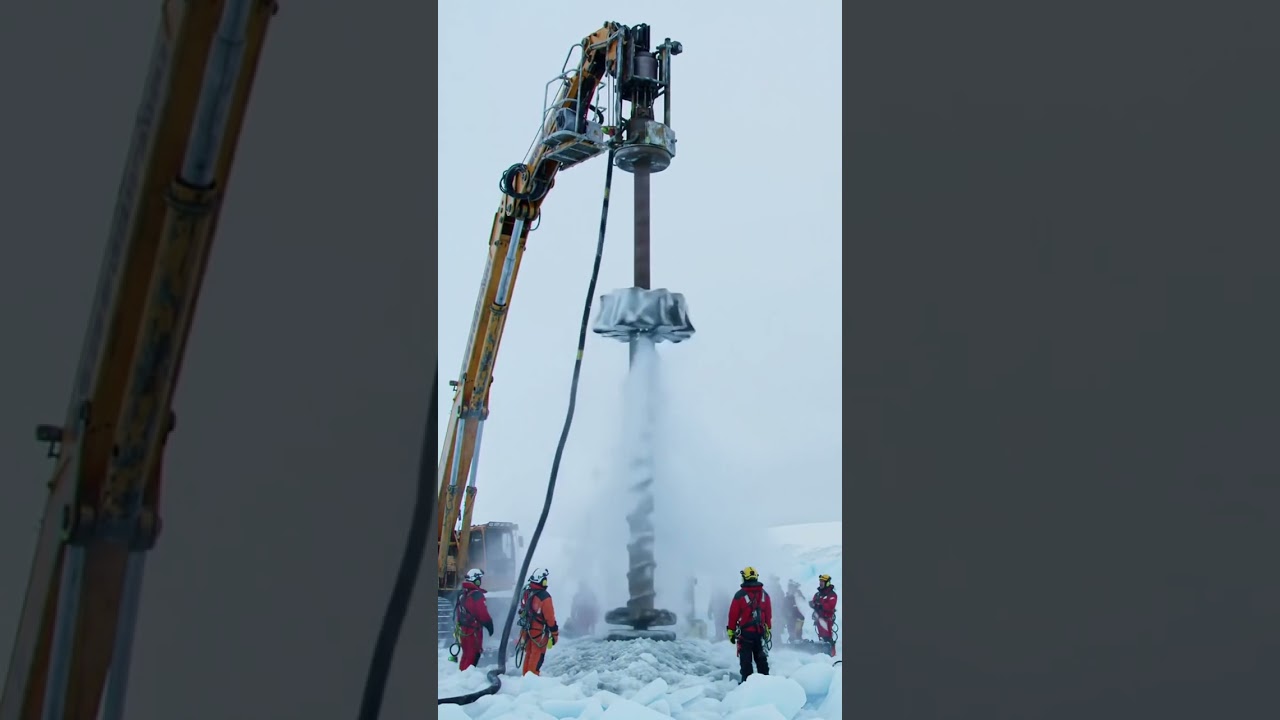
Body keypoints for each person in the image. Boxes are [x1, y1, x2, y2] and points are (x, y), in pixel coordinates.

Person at [725, 566, 773, 683]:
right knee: (762, 661)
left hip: (745, 636)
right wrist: (768, 630)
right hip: (760, 634)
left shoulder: (740, 595)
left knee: (746, 663)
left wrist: (731, 632)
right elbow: (768, 615)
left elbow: (733, 616)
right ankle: (767, 684)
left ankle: (747, 686)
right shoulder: (764, 595)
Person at [517, 567, 559, 676]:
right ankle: (532, 679)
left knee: (529, 653)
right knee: (537, 655)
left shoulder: (527, 592)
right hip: (538, 632)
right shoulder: (544, 597)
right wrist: (554, 634)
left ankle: (525, 676)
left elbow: (522, 609)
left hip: (527, 630)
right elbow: (550, 618)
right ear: (542, 581)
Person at [453, 568, 494, 671]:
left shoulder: (462, 593)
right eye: (479, 579)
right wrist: (489, 625)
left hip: (463, 630)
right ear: (475, 580)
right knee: (473, 654)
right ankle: (467, 677)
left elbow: (458, 611)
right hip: (473, 631)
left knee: (466, 654)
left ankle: (462, 674)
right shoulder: (476, 595)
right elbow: (482, 614)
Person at [810, 573, 839, 656]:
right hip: (819, 619)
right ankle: (823, 653)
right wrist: (813, 605)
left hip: (827, 620)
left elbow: (830, 606)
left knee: (827, 637)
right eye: (820, 581)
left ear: (827, 583)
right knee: (821, 637)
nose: (820, 583)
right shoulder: (818, 594)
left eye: (822, 582)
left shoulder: (832, 595)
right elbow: (814, 602)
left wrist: (820, 605)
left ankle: (832, 654)